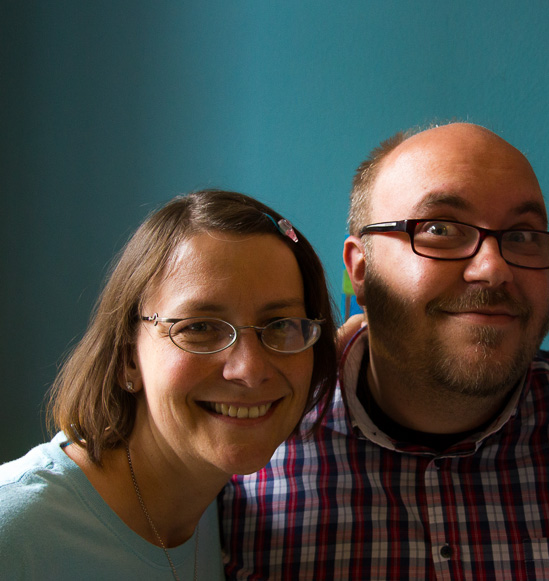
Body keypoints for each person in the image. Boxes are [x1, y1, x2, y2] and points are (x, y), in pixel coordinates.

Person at [220, 122, 549, 580]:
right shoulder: (248, 452)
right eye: (440, 229)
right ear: (360, 270)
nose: (493, 268)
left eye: (522, 236)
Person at [0, 190, 337, 579]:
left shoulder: (209, 505)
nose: (249, 369)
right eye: (199, 328)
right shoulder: (17, 533)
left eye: (280, 326)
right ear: (128, 357)